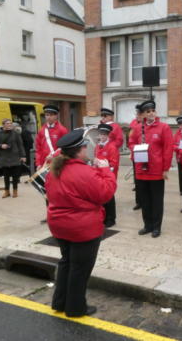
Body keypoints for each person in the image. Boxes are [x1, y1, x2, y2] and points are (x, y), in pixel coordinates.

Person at [46, 129, 116, 317]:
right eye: (85, 147)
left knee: (66, 262)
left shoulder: (54, 169)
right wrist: (105, 170)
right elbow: (105, 194)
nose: (87, 150)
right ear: (79, 150)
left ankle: (60, 302)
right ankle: (76, 308)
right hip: (82, 227)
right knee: (80, 268)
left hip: (59, 225)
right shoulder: (84, 171)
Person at [128, 100, 173, 238]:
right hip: (141, 170)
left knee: (156, 200)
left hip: (156, 171)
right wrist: (137, 149)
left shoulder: (163, 127)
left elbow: (168, 149)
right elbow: (131, 143)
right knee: (145, 200)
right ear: (144, 114)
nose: (151, 113)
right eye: (148, 111)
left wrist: (165, 168)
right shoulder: (137, 128)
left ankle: (156, 227)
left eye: (153, 110)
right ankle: (147, 225)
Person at [0, 118, 26, 198]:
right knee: (6, 176)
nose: (10, 125)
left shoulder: (15, 133)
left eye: (10, 123)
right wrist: (1, 146)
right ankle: (7, 191)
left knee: (15, 176)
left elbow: (20, 145)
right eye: (7, 123)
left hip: (15, 157)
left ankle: (15, 191)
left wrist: (23, 156)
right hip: (4, 157)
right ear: (3, 125)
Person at [94, 124, 120, 227]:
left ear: (108, 135)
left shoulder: (112, 147)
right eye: (101, 134)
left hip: (108, 175)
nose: (102, 136)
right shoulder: (97, 146)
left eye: (104, 134)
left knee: (109, 197)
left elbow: (114, 164)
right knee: (101, 197)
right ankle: (103, 217)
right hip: (99, 175)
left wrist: (105, 168)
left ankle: (111, 219)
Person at [35, 105, 68, 170]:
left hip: (57, 163)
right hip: (44, 163)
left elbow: (65, 148)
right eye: (47, 115)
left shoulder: (62, 130)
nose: (48, 117)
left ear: (56, 116)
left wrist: (54, 156)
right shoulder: (41, 130)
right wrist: (38, 163)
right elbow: (38, 149)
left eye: (51, 115)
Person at [129, 104, 143, 211]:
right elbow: (130, 138)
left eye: (139, 114)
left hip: (146, 155)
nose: (137, 116)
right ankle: (139, 201)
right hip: (136, 154)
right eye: (137, 113)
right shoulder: (134, 124)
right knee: (137, 179)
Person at [173, 116, 182, 197]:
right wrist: (179, 147)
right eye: (180, 125)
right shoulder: (177, 134)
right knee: (181, 175)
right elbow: (173, 145)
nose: (181, 126)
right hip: (179, 157)